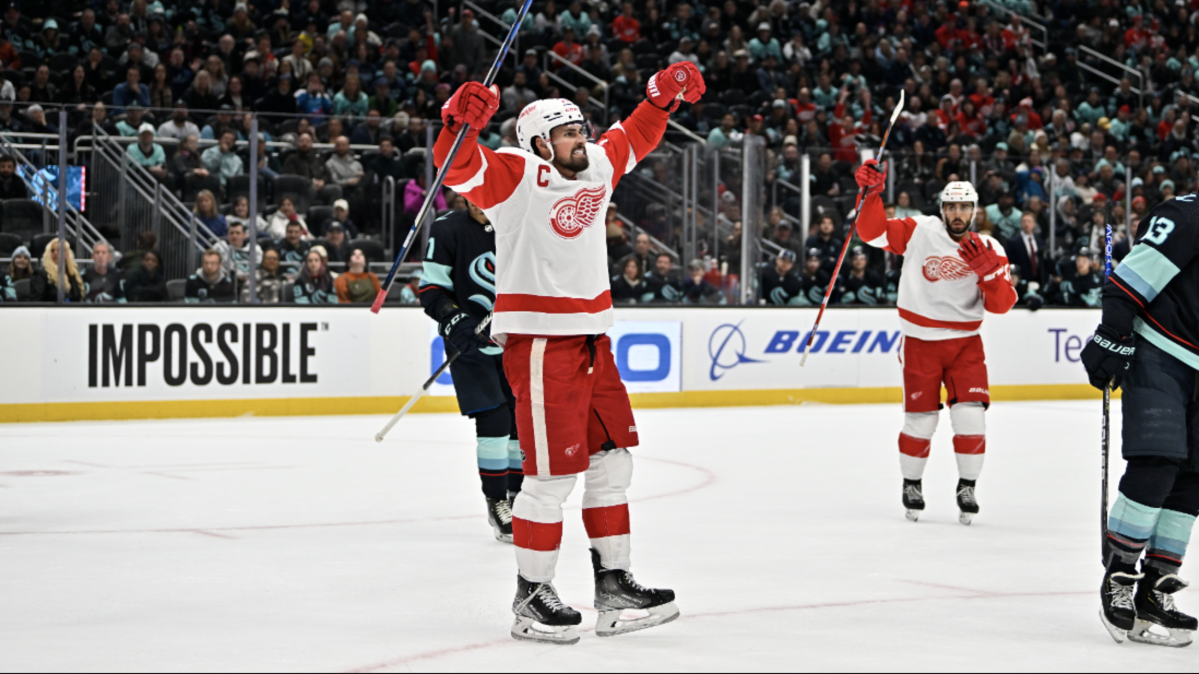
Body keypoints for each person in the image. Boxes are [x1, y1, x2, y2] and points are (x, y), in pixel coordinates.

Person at [434, 62, 701, 643]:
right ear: (538, 143)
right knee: (551, 479)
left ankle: (615, 586)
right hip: (539, 345)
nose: (582, 139)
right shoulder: (517, 177)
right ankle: (531, 597)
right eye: (568, 133)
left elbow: (633, 136)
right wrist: (460, 125)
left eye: (582, 128)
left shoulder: (596, 168)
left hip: (592, 342)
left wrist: (660, 98)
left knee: (612, 465)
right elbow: (457, 167)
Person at [855, 161, 1017, 525]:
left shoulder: (990, 246)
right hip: (920, 342)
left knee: (971, 416)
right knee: (921, 421)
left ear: (974, 210)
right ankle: (911, 483)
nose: (957, 214)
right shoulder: (920, 231)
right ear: (942, 209)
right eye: (951, 207)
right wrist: (871, 194)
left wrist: (989, 275)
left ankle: (967, 486)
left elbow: (1003, 305)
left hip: (965, 344)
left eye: (964, 207)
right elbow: (871, 233)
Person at [1081, 193, 1199, 646]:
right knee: (1158, 460)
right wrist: (1112, 334)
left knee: (1192, 476)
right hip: (1160, 352)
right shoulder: (1187, 214)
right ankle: (1121, 575)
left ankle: (1156, 587)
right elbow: (1128, 281)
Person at [418, 198, 526, 541]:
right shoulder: (447, 228)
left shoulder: (518, 225)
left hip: (515, 340)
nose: (479, 203)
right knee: (494, 417)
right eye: (471, 197)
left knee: (519, 421)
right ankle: (496, 502)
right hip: (470, 342)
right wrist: (454, 318)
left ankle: (517, 497)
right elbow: (432, 291)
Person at [30, 238, 85, 302]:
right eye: (52, 251)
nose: (55, 253)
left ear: (67, 254)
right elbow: (37, 301)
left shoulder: (73, 273)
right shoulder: (41, 274)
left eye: (59, 250)